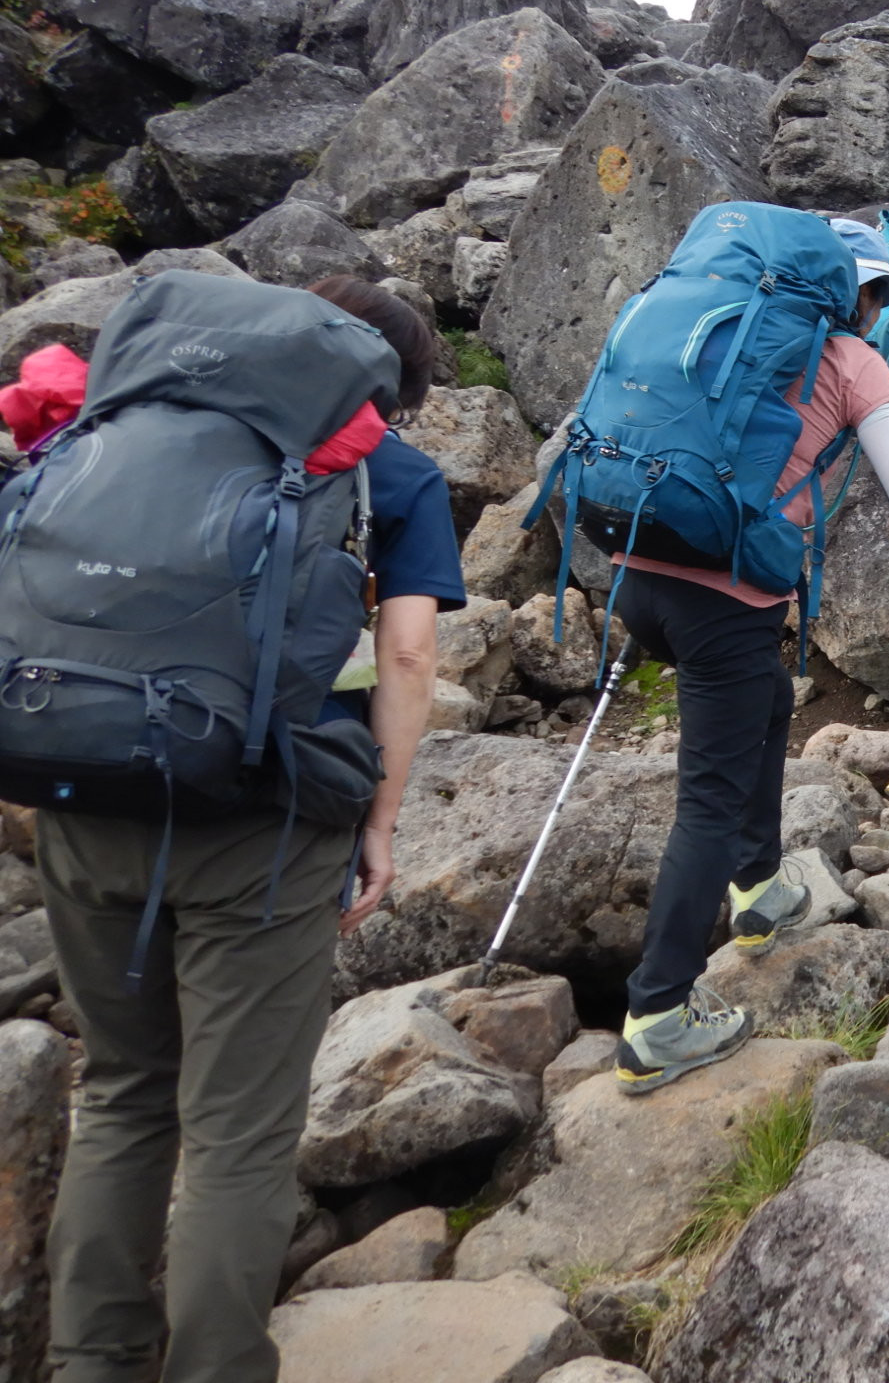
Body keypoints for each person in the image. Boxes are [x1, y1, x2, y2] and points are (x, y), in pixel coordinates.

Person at [36, 275, 461, 1383]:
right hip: (260, 824)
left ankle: (92, 1363)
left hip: (83, 794)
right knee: (237, 1131)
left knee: (124, 1093)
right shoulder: (389, 470)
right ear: (389, 386)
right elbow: (408, 656)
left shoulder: (123, 428)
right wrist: (379, 820)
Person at [610, 242, 889, 1092]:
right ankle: (658, 1016)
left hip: (639, 571)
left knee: (773, 701)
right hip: (723, 600)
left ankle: (760, 887)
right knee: (706, 800)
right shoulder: (850, 359)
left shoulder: (712, 333)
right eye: (880, 293)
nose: (886, 309)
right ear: (859, 296)